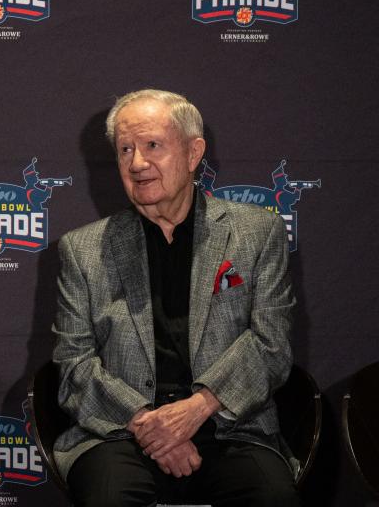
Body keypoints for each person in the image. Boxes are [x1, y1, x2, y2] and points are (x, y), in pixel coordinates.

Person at [53, 89, 301, 506]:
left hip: (229, 426)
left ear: (192, 153)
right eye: (125, 149)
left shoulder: (257, 233)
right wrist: (152, 427)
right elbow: (73, 363)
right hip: (121, 432)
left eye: (152, 146)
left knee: (273, 497)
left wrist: (195, 411)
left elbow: (270, 345)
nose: (136, 163)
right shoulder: (83, 249)